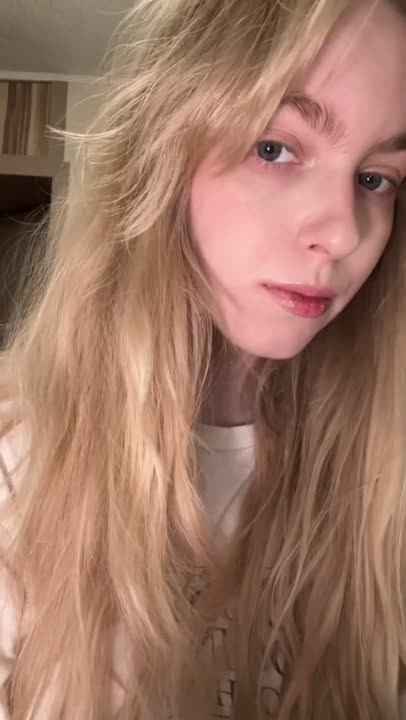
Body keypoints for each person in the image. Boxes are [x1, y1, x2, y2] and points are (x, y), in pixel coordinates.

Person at [0, 0, 405, 717]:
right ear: (161, 153)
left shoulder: (385, 474)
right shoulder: (16, 460)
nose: (344, 232)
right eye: (274, 149)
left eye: (377, 178)